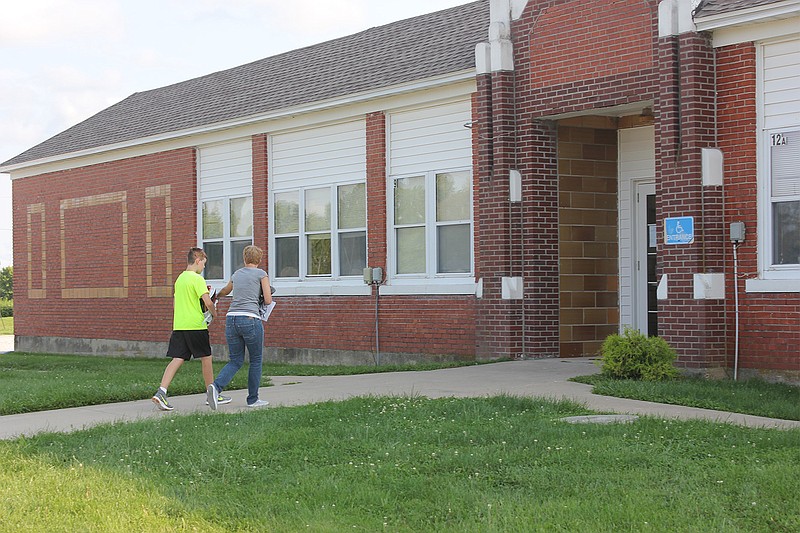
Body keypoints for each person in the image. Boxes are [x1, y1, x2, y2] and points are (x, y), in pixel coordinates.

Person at [151, 247, 219, 411]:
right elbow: (208, 302)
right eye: (203, 264)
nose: (203, 267)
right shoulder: (197, 279)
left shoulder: (179, 279)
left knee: (177, 358)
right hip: (196, 326)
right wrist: (214, 314)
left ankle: (161, 392)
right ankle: (212, 393)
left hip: (180, 325)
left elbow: (175, 304)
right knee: (206, 357)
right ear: (197, 260)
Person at [207, 244, 272, 409]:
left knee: (235, 360)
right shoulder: (261, 274)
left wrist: (216, 296)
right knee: (256, 360)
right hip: (250, 319)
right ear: (259, 259)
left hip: (232, 319)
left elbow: (225, 291)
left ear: (244, 259)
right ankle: (253, 399)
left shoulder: (237, 274)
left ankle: (216, 387)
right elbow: (268, 300)